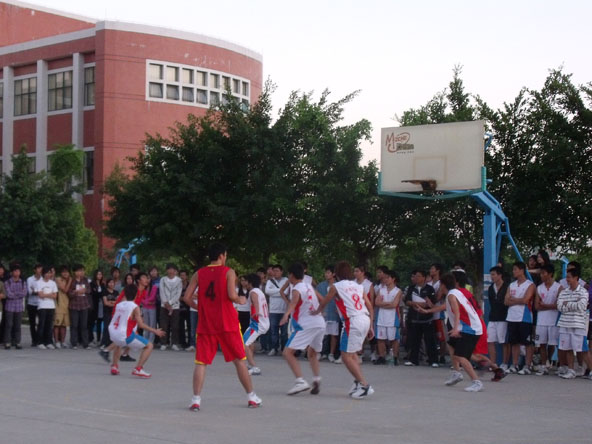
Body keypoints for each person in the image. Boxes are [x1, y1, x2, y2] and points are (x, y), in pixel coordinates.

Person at [183, 243, 262, 410]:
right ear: (221, 256)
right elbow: (232, 295)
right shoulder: (228, 272)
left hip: (206, 323)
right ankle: (251, 397)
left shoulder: (199, 273)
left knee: (201, 362)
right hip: (227, 323)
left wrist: (200, 308)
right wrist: (241, 299)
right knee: (239, 361)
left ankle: (196, 400)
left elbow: (187, 297)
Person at [315, 261, 375, 398]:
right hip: (364, 318)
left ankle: (365, 385)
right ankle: (358, 382)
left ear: (336, 273)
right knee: (352, 354)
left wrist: (316, 312)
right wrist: (371, 325)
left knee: (345, 356)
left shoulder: (336, 287)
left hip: (352, 321)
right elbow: (370, 306)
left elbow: (324, 302)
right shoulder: (358, 286)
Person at [280, 263, 326, 395]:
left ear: (291, 275)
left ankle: (300, 381)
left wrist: (286, 315)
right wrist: (319, 311)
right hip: (319, 323)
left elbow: (293, 303)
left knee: (287, 353)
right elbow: (322, 299)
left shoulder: (296, 289)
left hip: (306, 324)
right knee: (312, 352)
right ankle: (316, 379)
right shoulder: (308, 286)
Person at [109, 284, 165, 378]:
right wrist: (155, 331)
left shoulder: (119, 305)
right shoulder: (135, 307)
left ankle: (114, 366)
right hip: (124, 335)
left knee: (118, 343)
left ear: (125, 294)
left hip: (113, 333)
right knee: (149, 346)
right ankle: (138, 369)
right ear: (136, 295)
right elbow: (141, 325)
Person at [440, 273, 484, 392]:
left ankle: (476, 382)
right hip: (466, 326)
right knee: (451, 344)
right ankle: (457, 373)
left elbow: (457, 311)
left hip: (470, 328)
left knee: (461, 356)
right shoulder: (456, 292)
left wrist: (455, 329)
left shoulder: (451, 295)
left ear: (443, 285)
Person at [556, 268, 592, 379]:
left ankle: (591, 370)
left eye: (569, 277)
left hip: (578, 325)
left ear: (576, 278)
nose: (567, 280)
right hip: (565, 324)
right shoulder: (564, 292)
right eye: (567, 277)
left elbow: (582, 306)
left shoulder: (583, 292)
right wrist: (573, 304)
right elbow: (559, 306)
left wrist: (567, 303)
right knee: (568, 348)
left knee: (583, 349)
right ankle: (571, 370)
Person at [505, 261, 536, 374]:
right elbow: (506, 301)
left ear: (522, 270)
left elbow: (525, 300)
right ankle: (515, 364)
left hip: (524, 317)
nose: (513, 271)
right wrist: (518, 300)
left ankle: (527, 365)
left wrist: (513, 300)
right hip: (512, 317)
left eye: (515, 269)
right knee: (514, 342)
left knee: (527, 342)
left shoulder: (530, 285)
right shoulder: (511, 285)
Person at [404, 270, 439, 367]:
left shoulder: (429, 289)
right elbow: (407, 301)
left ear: (424, 277)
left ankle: (433, 360)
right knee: (414, 340)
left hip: (427, 318)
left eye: (418, 276)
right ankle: (413, 360)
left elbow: (432, 302)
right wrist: (416, 303)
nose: (416, 278)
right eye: (415, 276)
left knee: (430, 340)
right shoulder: (411, 288)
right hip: (414, 317)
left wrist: (425, 304)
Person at [534, 264, 562, 375]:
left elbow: (558, 305)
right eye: (540, 273)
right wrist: (551, 305)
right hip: (541, 320)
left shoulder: (558, 287)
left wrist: (544, 305)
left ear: (550, 274)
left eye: (543, 273)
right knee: (541, 343)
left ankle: (557, 364)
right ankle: (543, 365)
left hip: (554, 321)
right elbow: (537, 306)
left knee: (554, 344)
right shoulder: (539, 288)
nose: (541, 275)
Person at [243, 273, 270, 375]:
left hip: (257, 323)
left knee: (244, 344)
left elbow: (256, 303)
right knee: (250, 343)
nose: (244, 283)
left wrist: (257, 312)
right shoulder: (260, 291)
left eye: (246, 281)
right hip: (262, 322)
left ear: (250, 282)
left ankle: (255, 367)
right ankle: (251, 364)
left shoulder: (253, 292)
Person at [374, 269, 402, 365]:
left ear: (393, 279)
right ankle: (381, 356)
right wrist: (388, 303)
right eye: (384, 278)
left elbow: (394, 305)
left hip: (392, 318)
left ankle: (395, 357)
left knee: (394, 339)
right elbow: (377, 302)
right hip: (381, 318)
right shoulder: (381, 290)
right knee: (380, 338)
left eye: (387, 278)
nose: (385, 280)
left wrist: (383, 304)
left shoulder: (398, 291)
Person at [487, 266, 510, 371]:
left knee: (503, 341)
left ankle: (504, 363)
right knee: (490, 340)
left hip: (503, 318)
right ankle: (493, 363)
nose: (492, 277)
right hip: (493, 317)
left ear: (500, 275)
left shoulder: (507, 287)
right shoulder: (491, 288)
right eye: (491, 275)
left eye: (494, 274)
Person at [317, 265, 340, 363]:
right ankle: (321, 352)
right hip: (323, 313)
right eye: (325, 273)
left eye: (328, 273)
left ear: (333, 274)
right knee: (322, 334)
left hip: (335, 313)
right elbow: (317, 299)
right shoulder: (321, 285)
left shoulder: (339, 285)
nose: (326, 274)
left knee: (333, 334)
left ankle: (331, 353)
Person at [265, 264, 288, 356]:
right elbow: (267, 291)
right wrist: (280, 291)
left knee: (284, 332)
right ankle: (274, 348)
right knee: (273, 331)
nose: (275, 273)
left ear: (281, 272)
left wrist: (275, 291)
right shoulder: (270, 281)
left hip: (284, 310)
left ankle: (284, 349)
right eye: (274, 271)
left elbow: (287, 292)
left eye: (277, 271)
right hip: (273, 310)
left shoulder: (286, 280)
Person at [3, 263, 27, 349]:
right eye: (15, 271)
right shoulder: (7, 282)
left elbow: (24, 293)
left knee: (17, 325)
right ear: (12, 272)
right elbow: (8, 294)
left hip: (19, 307)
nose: (17, 272)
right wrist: (18, 294)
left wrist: (15, 294)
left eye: (18, 271)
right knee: (9, 325)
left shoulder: (23, 282)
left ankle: (17, 342)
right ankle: (7, 342)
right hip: (9, 307)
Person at [159, 264, 182, 351]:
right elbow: (161, 291)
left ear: (175, 271)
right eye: (169, 269)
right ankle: (163, 343)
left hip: (175, 306)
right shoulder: (163, 279)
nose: (171, 271)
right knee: (163, 325)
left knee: (175, 326)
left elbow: (178, 293)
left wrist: (170, 303)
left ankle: (174, 343)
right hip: (164, 305)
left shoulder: (179, 281)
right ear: (167, 270)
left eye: (173, 269)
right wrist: (166, 303)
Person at [67, 264, 91, 349]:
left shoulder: (85, 280)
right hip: (74, 305)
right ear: (75, 272)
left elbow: (89, 290)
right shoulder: (72, 281)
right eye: (79, 271)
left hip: (84, 305)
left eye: (82, 270)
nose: (81, 272)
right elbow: (69, 293)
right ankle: (74, 343)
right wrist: (75, 292)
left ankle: (85, 343)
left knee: (84, 325)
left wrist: (85, 290)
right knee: (74, 325)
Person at [428, 263, 447, 364]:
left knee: (441, 336)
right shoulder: (429, 283)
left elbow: (438, 297)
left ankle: (442, 356)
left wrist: (429, 300)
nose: (430, 270)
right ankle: (432, 354)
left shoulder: (441, 283)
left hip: (438, 313)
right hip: (429, 313)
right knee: (431, 336)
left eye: (432, 268)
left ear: (438, 270)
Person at [35, 266, 58, 349]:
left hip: (51, 306)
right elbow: (40, 295)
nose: (48, 275)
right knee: (42, 324)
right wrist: (49, 294)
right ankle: (40, 342)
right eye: (47, 273)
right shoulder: (39, 283)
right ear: (43, 274)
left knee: (49, 325)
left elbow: (55, 296)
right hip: (42, 306)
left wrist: (45, 294)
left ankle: (48, 342)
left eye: (49, 273)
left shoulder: (53, 283)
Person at [54, 266, 71, 349]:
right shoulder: (58, 279)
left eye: (67, 272)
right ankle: (57, 341)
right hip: (59, 305)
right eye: (63, 272)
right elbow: (65, 290)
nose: (65, 273)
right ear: (61, 273)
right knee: (57, 324)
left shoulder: (70, 280)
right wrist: (70, 281)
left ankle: (63, 341)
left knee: (64, 325)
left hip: (67, 305)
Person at [26, 264, 42, 347]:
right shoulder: (30, 279)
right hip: (31, 303)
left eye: (41, 268)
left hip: (41, 303)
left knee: (41, 323)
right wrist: (39, 292)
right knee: (32, 323)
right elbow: (29, 291)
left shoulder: (43, 279)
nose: (40, 270)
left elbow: (44, 291)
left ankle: (39, 339)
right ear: (34, 270)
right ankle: (34, 340)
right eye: (38, 268)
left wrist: (36, 291)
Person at [89, 270, 106, 346]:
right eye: (98, 274)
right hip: (93, 305)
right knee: (91, 323)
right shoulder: (91, 284)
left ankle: (99, 339)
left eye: (101, 274)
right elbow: (94, 294)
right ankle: (91, 339)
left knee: (99, 322)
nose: (99, 275)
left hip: (101, 305)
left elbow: (103, 293)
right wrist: (99, 294)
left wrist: (99, 294)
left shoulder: (103, 284)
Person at [100, 278, 118, 348]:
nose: (111, 284)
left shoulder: (116, 292)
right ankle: (104, 343)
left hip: (115, 313)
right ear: (107, 284)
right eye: (110, 282)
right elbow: (105, 303)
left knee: (113, 328)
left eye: (112, 282)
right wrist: (113, 303)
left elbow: (118, 302)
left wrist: (111, 302)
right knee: (106, 327)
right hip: (107, 312)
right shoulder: (104, 292)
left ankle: (111, 342)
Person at [178, 269, 191, 349]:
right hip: (179, 308)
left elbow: (191, 295)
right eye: (181, 275)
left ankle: (190, 343)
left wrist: (183, 298)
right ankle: (182, 343)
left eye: (183, 275)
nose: (182, 277)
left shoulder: (190, 285)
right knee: (180, 326)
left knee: (190, 326)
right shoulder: (177, 285)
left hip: (189, 307)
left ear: (187, 276)